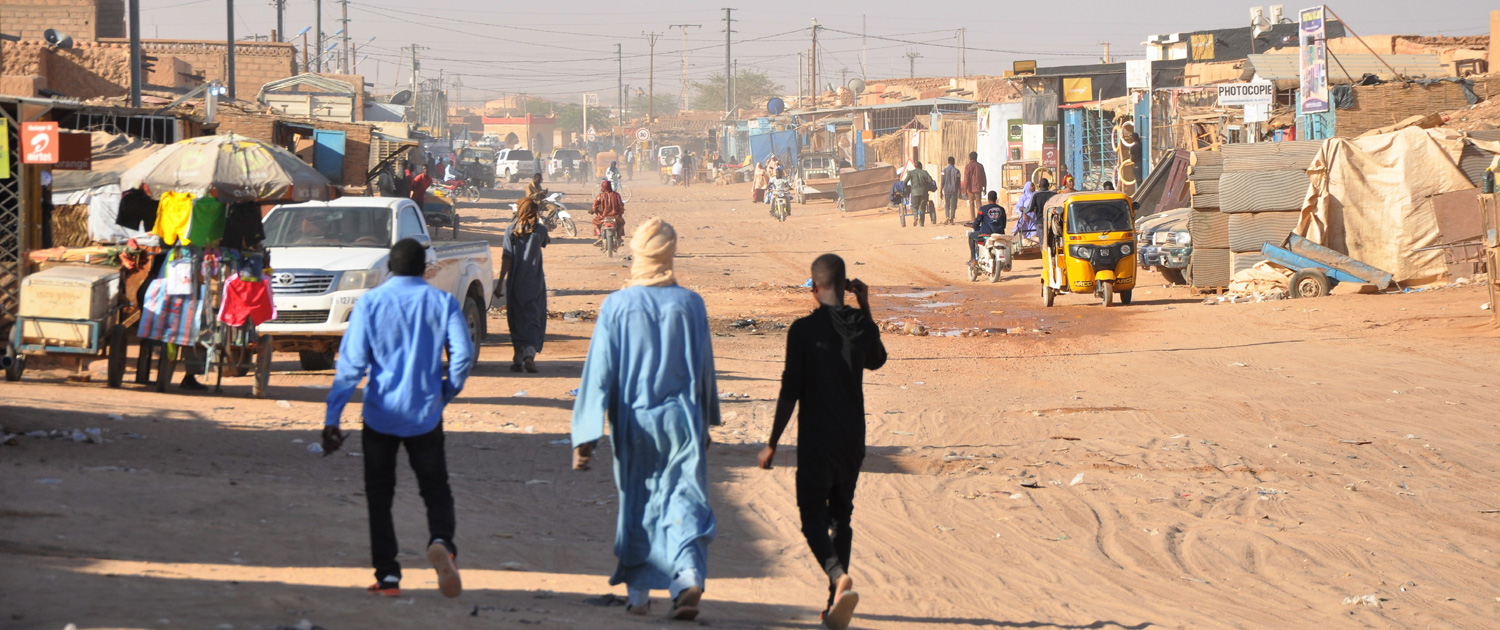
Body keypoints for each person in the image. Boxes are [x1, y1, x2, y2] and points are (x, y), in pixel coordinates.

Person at [572, 218, 719, 621]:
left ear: (637, 253)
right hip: (683, 419)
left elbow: (598, 372)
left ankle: (638, 597)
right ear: (669, 253)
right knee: (685, 496)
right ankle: (686, 577)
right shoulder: (690, 303)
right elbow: (703, 368)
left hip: (634, 422)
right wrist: (706, 421)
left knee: (638, 502)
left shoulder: (617, 306)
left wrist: (586, 435)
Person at [324, 238, 475, 600]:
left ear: (390, 267)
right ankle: (442, 543)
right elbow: (463, 355)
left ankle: (388, 577)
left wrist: (333, 418)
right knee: (435, 489)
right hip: (425, 412)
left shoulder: (371, 303)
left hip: (380, 415)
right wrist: (446, 392)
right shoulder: (441, 302)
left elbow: (350, 367)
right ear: (424, 268)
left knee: (380, 496)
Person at [758, 253, 886, 630]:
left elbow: (789, 391)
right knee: (841, 517)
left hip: (817, 441)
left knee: (811, 515)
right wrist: (865, 307)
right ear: (846, 287)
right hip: (852, 441)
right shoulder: (859, 325)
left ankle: (836, 576)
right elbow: (876, 360)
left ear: (814, 288)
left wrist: (772, 442)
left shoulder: (801, 331)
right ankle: (835, 602)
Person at [498, 198, 550, 373]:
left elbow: (507, 258)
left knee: (516, 317)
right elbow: (544, 242)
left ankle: (518, 355)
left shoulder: (510, 231)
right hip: (535, 282)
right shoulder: (541, 230)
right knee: (534, 317)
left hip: (515, 282)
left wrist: (499, 284)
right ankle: (530, 355)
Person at [968, 190, 1008, 262]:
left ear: (988, 198)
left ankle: (973, 258)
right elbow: (1004, 224)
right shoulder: (1002, 210)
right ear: (996, 199)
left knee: (971, 236)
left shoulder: (983, 209)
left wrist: (971, 225)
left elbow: (976, 223)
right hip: (999, 234)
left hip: (986, 235)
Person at [903, 162, 937, 227]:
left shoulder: (911, 173)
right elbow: (930, 181)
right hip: (923, 192)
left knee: (914, 206)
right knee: (922, 207)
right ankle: (921, 223)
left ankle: (915, 216)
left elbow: (905, 182)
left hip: (914, 192)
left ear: (915, 166)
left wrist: (906, 188)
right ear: (921, 166)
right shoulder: (925, 173)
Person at [962, 151, 987, 224]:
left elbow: (966, 178)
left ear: (970, 158)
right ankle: (980, 218)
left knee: (971, 204)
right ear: (976, 157)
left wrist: (965, 189)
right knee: (979, 204)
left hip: (970, 189)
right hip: (978, 188)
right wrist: (984, 187)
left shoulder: (968, 166)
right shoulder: (980, 166)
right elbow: (983, 177)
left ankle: (973, 219)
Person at [939, 156, 962, 226]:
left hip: (946, 190)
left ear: (948, 162)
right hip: (954, 190)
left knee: (947, 204)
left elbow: (942, 182)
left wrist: (940, 191)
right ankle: (952, 219)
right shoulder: (957, 171)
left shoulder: (944, 171)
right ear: (954, 162)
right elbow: (958, 182)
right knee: (953, 205)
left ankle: (947, 216)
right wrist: (960, 191)